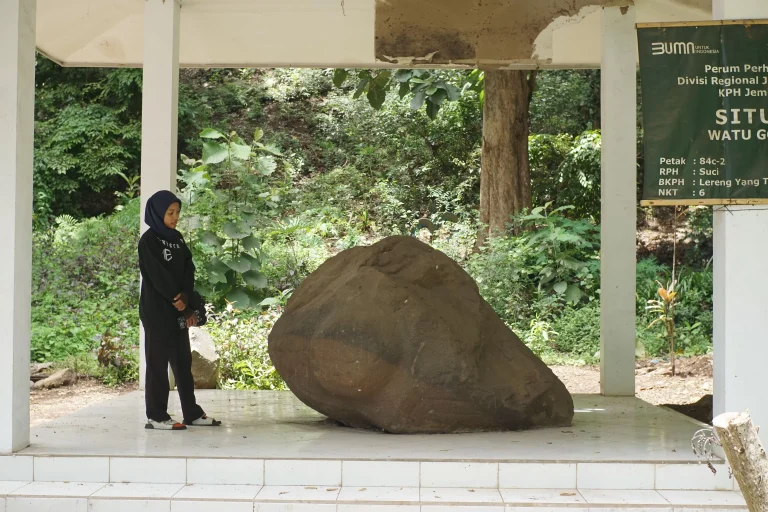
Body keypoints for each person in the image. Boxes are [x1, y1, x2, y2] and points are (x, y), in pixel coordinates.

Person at [139, 190, 221, 431]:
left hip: (178, 311)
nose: (175, 217)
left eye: (177, 213)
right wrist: (177, 298)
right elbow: (157, 275)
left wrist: (186, 298)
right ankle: (156, 415)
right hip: (157, 312)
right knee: (157, 364)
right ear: (157, 213)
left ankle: (191, 412)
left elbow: (188, 270)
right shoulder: (148, 241)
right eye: (170, 213)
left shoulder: (178, 239)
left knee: (182, 362)